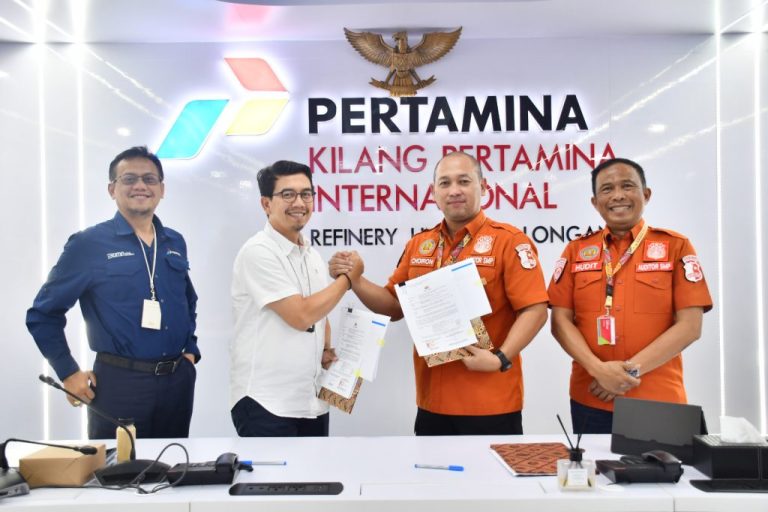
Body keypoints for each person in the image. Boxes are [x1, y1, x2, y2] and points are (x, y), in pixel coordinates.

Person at [330, 151, 548, 435]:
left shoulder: (508, 241)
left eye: (464, 181)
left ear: (483, 187)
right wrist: (356, 280)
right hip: (432, 403)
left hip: (491, 402)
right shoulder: (420, 244)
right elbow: (394, 307)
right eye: (445, 183)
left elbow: (535, 310)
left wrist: (500, 358)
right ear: (434, 193)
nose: (454, 190)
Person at [27, 145, 200, 439]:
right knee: (119, 466)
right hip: (120, 384)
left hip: (176, 383)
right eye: (129, 179)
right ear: (112, 189)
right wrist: (68, 372)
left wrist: (190, 351)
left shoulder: (174, 242)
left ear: (161, 189)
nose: (140, 186)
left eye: (149, 179)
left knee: (172, 464)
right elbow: (43, 314)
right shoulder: (89, 244)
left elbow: (188, 300)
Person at [548, 157, 713, 434]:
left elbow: (690, 326)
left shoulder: (676, 246)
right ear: (595, 202)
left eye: (627, 186)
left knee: (663, 465)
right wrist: (599, 370)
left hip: (658, 398)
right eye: (607, 189)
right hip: (592, 397)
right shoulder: (576, 251)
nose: (618, 196)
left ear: (646, 195)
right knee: (593, 464)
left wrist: (627, 374)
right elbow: (560, 322)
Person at [230, 160, 357, 437]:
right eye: (287, 194)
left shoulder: (311, 255)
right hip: (266, 404)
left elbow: (319, 316)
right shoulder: (258, 252)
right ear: (266, 204)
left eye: (306, 194)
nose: (299, 202)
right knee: (271, 470)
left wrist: (325, 350)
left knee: (317, 468)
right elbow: (301, 315)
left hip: (312, 402)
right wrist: (348, 279)